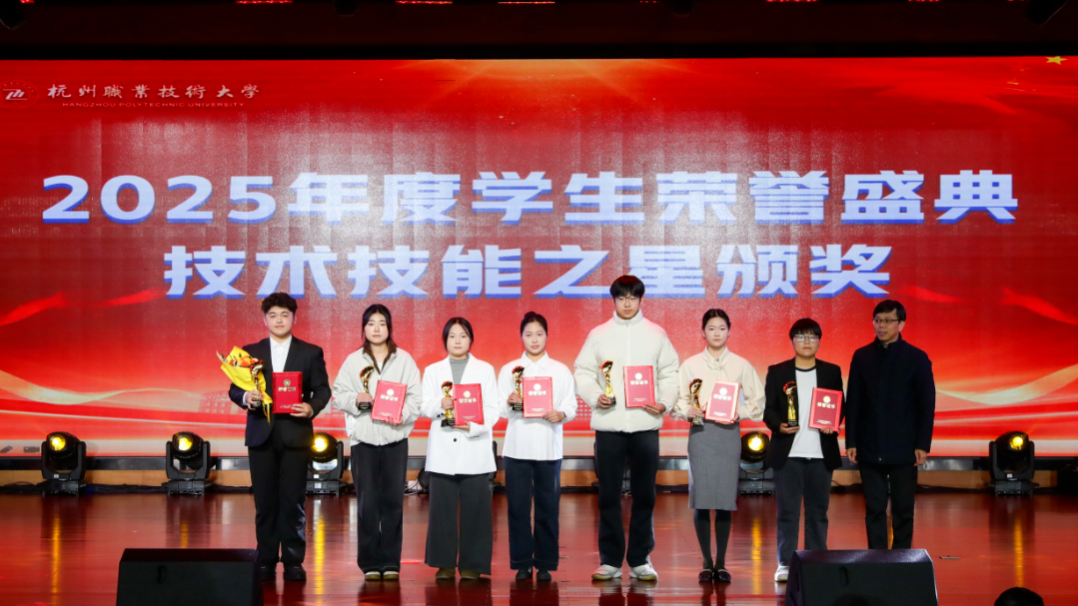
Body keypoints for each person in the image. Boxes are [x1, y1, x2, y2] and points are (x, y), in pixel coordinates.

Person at [574, 275, 679, 582]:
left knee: (645, 495)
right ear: (614, 300)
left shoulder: (656, 334)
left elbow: (670, 373)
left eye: (633, 297)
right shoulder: (599, 334)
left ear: (641, 299)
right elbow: (583, 372)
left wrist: (664, 402)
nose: (628, 303)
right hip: (609, 425)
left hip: (646, 424)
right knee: (608, 495)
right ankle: (609, 560)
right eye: (622, 298)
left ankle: (640, 559)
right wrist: (595, 396)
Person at [227, 292, 331, 583]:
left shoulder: (310, 352)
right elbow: (234, 389)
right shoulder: (249, 351)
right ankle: (266, 558)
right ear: (265, 319)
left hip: (296, 435)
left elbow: (323, 389)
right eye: (272, 315)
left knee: (293, 501)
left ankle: (294, 561)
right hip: (261, 434)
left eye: (285, 314)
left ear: (294, 317)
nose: (279, 320)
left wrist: (311, 407)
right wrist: (246, 397)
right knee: (265, 502)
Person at [670, 309, 764, 584]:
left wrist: (739, 412)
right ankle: (705, 562)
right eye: (711, 328)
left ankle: (721, 563)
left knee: (724, 499)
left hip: (728, 434)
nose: (716, 333)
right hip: (701, 434)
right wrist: (687, 411)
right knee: (701, 498)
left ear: (729, 331)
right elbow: (677, 400)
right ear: (703, 332)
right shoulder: (690, 365)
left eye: (722, 328)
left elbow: (758, 400)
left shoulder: (740, 364)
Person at [332, 304, 422, 581]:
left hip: (395, 440)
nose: (376, 328)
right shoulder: (353, 361)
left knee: (393, 502)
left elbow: (416, 398)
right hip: (365, 441)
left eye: (382, 323)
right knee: (368, 504)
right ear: (364, 328)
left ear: (389, 327)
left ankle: (391, 561)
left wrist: (402, 414)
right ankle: (370, 562)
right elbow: (338, 395)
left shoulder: (404, 360)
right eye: (371, 323)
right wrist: (355, 400)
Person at [845, 299, 935, 550]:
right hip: (869, 444)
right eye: (877, 320)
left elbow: (926, 405)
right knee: (874, 508)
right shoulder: (862, 356)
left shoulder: (917, 358)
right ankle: (876, 559)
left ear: (901, 324)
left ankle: (901, 559)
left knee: (903, 508)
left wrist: (922, 444)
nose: (881, 326)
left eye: (887, 321)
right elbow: (854, 402)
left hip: (904, 446)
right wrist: (851, 441)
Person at [497, 311, 578, 582]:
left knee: (548, 508)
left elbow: (571, 405)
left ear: (547, 336)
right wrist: (509, 402)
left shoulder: (559, 370)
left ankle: (545, 563)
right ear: (521, 337)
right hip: (517, 449)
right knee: (518, 509)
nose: (534, 339)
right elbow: (500, 409)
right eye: (529, 334)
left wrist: (561, 414)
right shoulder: (510, 370)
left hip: (548, 448)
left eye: (539, 334)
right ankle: (521, 562)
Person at [763, 318, 845, 583]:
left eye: (812, 337)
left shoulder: (831, 371)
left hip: (821, 454)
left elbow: (840, 406)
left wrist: (834, 423)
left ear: (819, 341)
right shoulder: (778, 372)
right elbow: (769, 410)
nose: (807, 341)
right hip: (788, 454)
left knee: (818, 513)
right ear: (792, 341)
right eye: (801, 336)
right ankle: (785, 563)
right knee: (787, 513)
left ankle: (816, 560)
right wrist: (778, 425)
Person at [420, 317, 500, 580]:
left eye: (463, 335)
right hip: (443, 448)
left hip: (474, 446)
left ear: (471, 339)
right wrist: (439, 404)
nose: (457, 341)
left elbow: (493, 409)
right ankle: (443, 563)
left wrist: (473, 426)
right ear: (445, 340)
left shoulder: (485, 369)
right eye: (452, 336)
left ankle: (472, 565)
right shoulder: (433, 370)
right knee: (441, 510)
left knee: (476, 510)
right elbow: (423, 405)